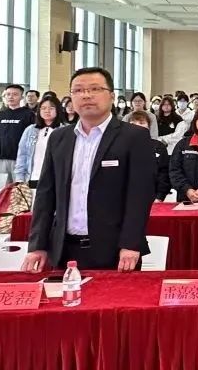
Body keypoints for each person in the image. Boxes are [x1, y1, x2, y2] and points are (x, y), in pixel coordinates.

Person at [21, 67, 156, 273]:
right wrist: (37, 245)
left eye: (95, 89)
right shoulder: (59, 138)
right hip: (64, 249)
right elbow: (45, 194)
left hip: (115, 251)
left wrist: (131, 243)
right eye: (78, 90)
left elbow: (140, 195)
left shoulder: (134, 137)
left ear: (112, 96)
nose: (86, 95)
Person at [0, 83, 36, 180]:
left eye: (15, 94)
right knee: (1, 188)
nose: (11, 97)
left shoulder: (29, 114)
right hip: (0, 159)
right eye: (8, 94)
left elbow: (32, 138)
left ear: (22, 97)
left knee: (19, 188)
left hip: (20, 159)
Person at [14, 96, 63, 187]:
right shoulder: (30, 130)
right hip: (32, 177)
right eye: (43, 108)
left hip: (55, 180)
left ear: (58, 110)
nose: (47, 111)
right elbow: (22, 155)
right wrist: (20, 178)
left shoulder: (65, 130)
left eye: (51, 108)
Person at [128, 110, 171, 201]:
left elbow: (164, 173)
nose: (137, 125)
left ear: (148, 126)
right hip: (127, 198)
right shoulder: (122, 147)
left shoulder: (158, 147)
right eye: (133, 123)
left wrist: (160, 196)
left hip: (153, 197)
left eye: (141, 123)